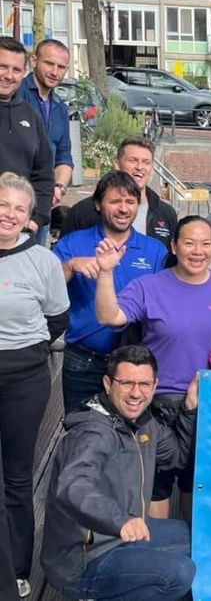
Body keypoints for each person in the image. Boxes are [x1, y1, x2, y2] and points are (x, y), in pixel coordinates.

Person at [94, 215, 211, 520]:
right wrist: (105, 273)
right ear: (175, 246)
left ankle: (196, 561)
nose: (198, 251)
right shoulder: (149, 285)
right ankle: (159, 557)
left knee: (200, 487)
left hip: (210, 405)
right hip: (158, 407)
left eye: (206, 244)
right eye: (189, 243)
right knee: (157, 487)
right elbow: (109, 316)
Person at [41, 345, 197, 601]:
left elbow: (177, 457)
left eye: (144, 384)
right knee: (179, 572)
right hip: (83, 560)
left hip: (121, 538)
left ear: (155, 386)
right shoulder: (94, 432)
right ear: (107, 383)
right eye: (126, 383)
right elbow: (73, 484)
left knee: (198, 539)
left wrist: (189, 409)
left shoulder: (144, 422)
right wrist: (120, 520)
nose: (136, 393)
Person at [0, 172, 69, 598]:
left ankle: (17, 569)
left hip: (23, 379)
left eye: (18, 208)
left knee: (16, 477)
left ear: (29, 217)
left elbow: (57, 319)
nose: (8, 214)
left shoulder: (43, 261)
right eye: (2, 204)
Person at [54, 171, 169, 414]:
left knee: (129, 439)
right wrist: (70, 266)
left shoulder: (154, 250)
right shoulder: (72, 243)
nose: (123, 209)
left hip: (135, 365)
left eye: (130, 202)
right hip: (84, 361)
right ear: (98, 204)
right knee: (81, 436)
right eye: (115, 201)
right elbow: (48, 291)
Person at [62, 137, 178, 249]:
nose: (140, 167)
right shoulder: (81, 212)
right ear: (117, 164)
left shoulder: (166, 213)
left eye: (146, 162)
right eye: (133, 160)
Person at [18, 39, 72, 245]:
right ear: (34, 61)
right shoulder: (16, 95)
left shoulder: (60, 108)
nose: (55, 71)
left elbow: (64, 155)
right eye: (49, 64)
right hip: (12, 201)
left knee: (35, 267)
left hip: (42, 204)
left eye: (61, 67)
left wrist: (58, 187)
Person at [0, 37, 53, 235]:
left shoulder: (29, 115)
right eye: (2, 66)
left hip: (18, 231)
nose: (8, 75)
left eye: (16, 70)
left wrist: (37, 218)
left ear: (23, 74)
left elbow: (44, 172)